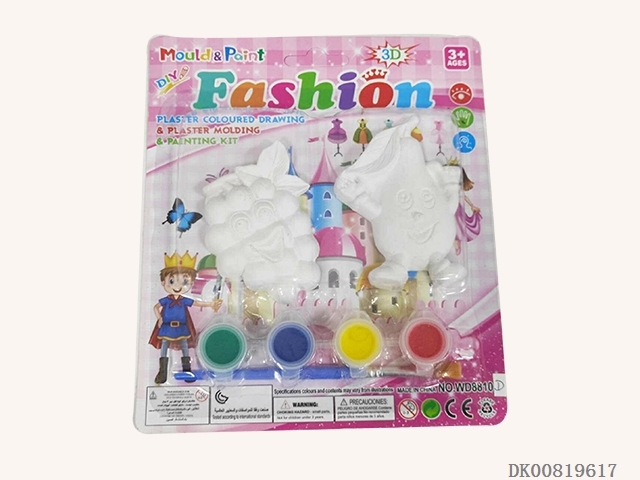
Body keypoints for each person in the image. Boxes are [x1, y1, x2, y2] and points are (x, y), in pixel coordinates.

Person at [148, 252, 222, 384]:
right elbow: (155, 307)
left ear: (192, 282)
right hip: (167, 327)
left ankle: (187, 370)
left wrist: (210, 304)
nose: (177, 286)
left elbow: (197, 303)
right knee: (164, 347)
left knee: (184, 347)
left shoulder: (184, 300)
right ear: (163, 282)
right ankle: (162, 372)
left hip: (181, 327)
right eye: (171, 281)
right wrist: (159, 318)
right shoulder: (167, 300)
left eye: (184, 281)